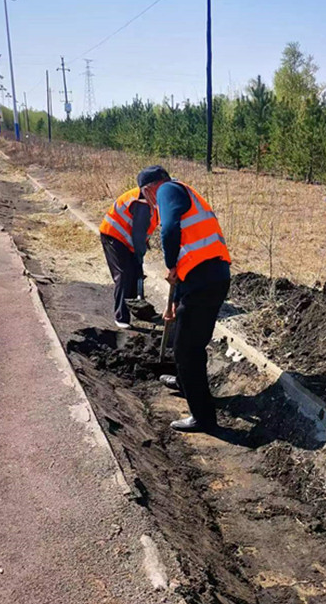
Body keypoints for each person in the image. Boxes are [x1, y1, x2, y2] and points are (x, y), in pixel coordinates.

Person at [137, 165, 231, 433]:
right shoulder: (186, 193)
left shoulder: (167, 189)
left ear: (150, 188)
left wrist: (169, 263)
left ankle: (203, 418)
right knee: (191, 342)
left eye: (147, 197)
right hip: (212, 276)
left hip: (203, 280)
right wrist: (176, 301)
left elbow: (169, 231)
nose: (151, 204)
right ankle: (183, 382)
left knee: (186, 350)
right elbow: (191, 253)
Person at [99, 177, 159, 327]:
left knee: (134, 272)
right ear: (151, 188)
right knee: (124, 274)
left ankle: (135, 307)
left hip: (126, 238)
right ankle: (121, 317)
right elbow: (138, 235)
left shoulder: (152, 198)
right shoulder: (142, 203)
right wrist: (139, 254)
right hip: (114, 235)